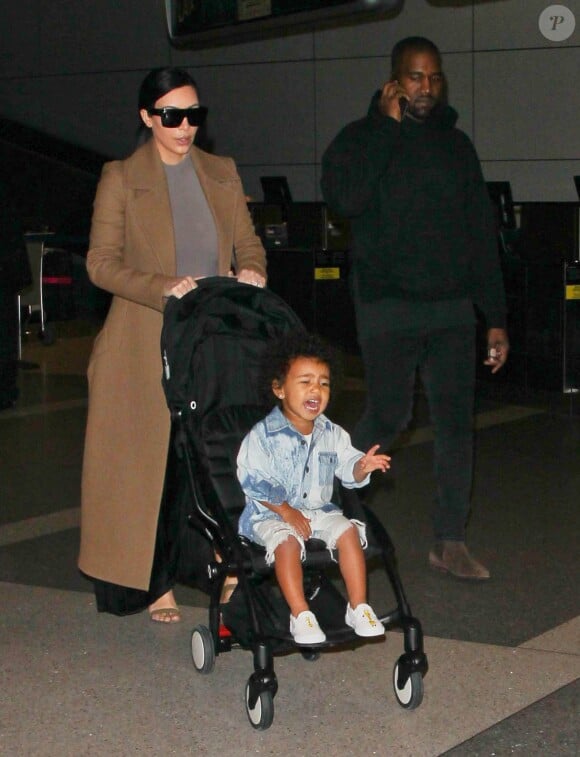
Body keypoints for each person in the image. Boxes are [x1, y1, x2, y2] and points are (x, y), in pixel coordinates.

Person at [78, 67, 267, 622]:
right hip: (141, 341)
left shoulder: (221, 172)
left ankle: (226, 565)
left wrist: (251, 271)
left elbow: (249, 243)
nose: (185, 126)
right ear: (146, 118)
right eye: (171, 116)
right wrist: (163, 288)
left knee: (214, 458)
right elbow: (99, 264)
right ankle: (153, 580)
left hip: (208, 340)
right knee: (153, 467)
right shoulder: (121, 176)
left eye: (193, 115)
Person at [320, 37, 509, 581]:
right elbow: (346, 201)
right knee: (389, 415)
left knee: (455, 425)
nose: (425, 87)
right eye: (414, 77)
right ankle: (320, 507)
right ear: (394, 82)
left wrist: (493, 315)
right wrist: (385, 127)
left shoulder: (456, 146)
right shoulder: (361, 138)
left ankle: (449, 541)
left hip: (451, 308)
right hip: (388, 305)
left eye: (433, 78)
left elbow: (480, 233)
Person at [237, 332, 390, 644]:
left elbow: (347, 465)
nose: (316, 390)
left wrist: (361, 467)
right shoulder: (263, 435)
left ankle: (358, 606)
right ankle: (300, 613)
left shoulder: (332, 432)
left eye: (324, 383)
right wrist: (285, 510)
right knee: (287, 545)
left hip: (318, 511)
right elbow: (253, 479)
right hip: (270, 515)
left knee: (348, 531)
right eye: (305, 381)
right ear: (279, 388)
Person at [0, 179, 31, 410]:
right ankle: (6, 390)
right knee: (6, 337)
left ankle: (6, 389)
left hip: (6, 275)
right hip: (6, 276)